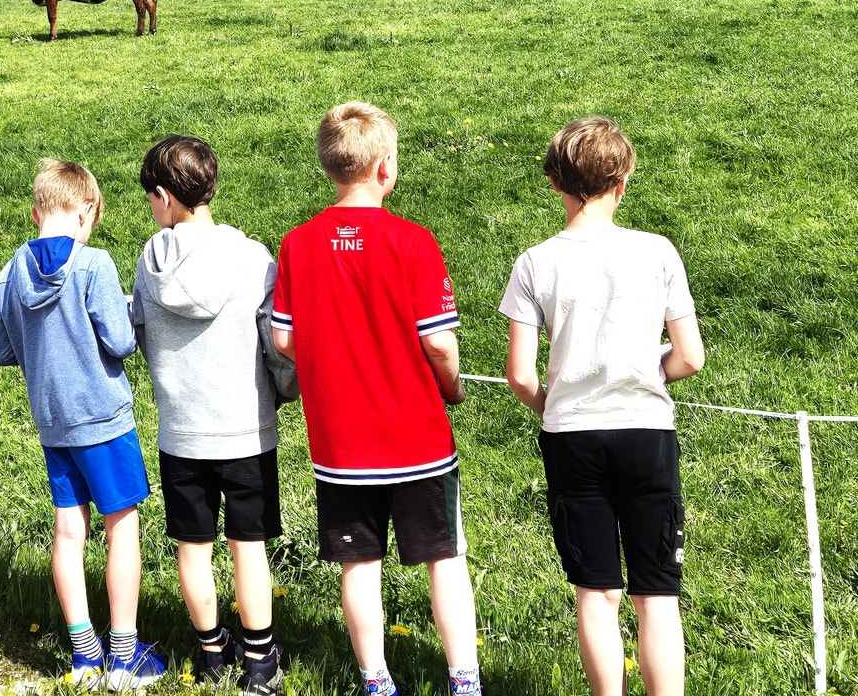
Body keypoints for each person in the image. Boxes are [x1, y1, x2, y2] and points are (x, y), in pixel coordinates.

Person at [271, 103, 482, 696]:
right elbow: (438, 343)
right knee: (445, 558)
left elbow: (283, 337)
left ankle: (375, 680)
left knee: (359, 565)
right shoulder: (413, 241)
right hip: (418, 440)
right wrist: (453, 388)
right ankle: (463, 679)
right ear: (386, 167)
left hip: (340, 444)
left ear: (329, 168)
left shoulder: (298, 244)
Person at [500, 117, 704, 696]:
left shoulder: (535, 262)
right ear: (623, 182)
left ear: (555, 183)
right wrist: (648, 374)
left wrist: (552, 406)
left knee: (596, 589)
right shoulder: (657, 251)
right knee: (656, 591)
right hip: (646, 432)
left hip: (573, 437)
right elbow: (690, 357)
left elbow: (519, 373)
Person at [0, 159, 168, 690]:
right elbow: (120, 341)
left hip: (53, 423)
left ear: (35, 211)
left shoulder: (10, 271)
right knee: (122, 528)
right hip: (105, 420)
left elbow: (2, 350)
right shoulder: (94, 266)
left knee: (68, 531)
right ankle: (123, 655)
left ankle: (84, 654)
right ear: (86, 210)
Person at [131, 136, 284, 693]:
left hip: (181, 431)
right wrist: (284, 389)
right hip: (246, 427)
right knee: (250, 545)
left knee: (191, 547)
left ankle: (212, 651)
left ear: (166, 197)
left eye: (151, 196)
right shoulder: (253, 256)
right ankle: (262, 661)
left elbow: (140, 333)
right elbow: (274, 340)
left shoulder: (150, 262)